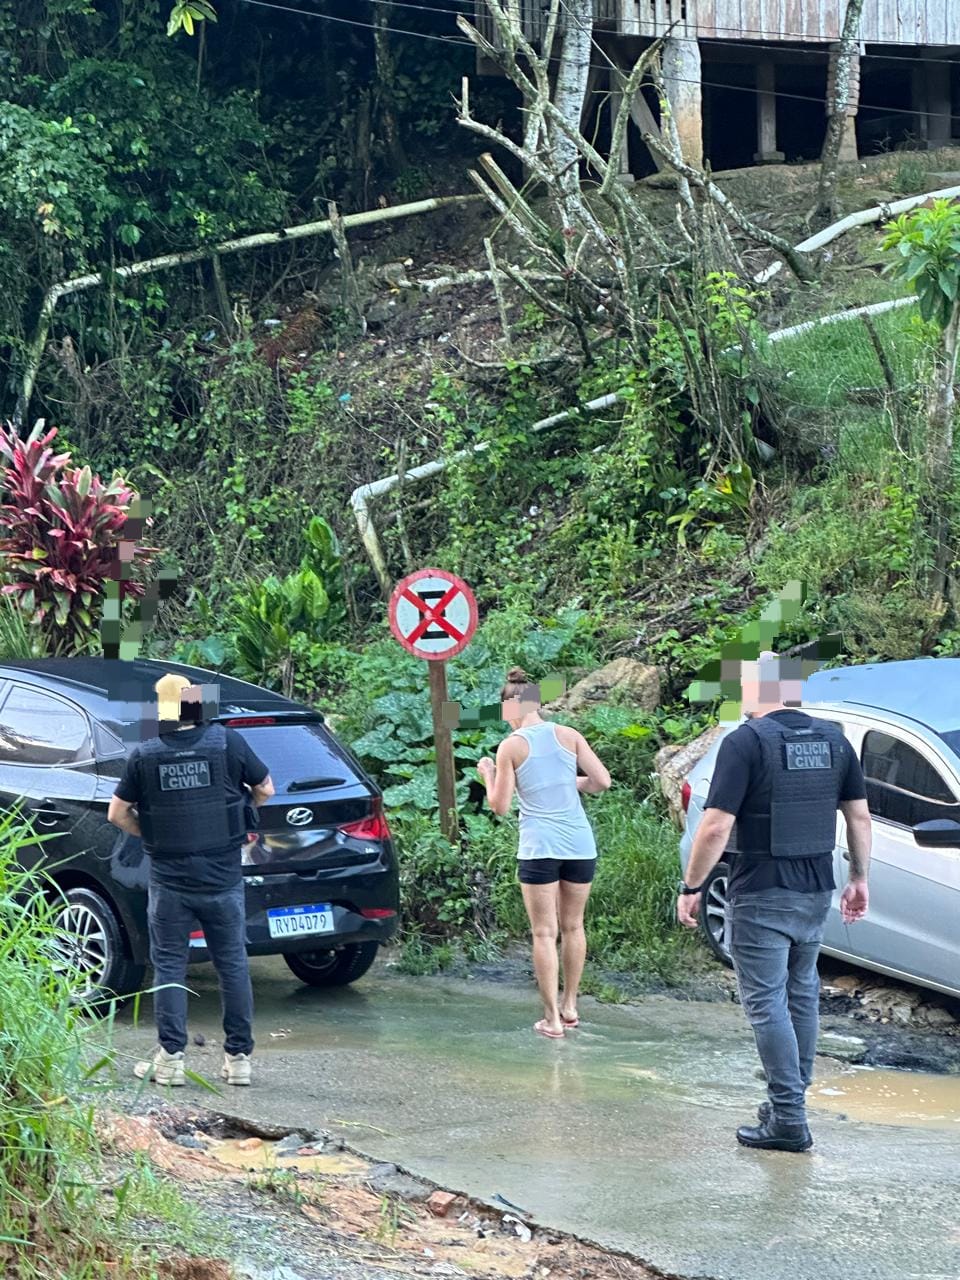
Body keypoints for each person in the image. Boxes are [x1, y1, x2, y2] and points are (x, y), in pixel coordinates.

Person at [677, 652, 872, 1152]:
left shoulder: (745, 742)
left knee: (767, 1004)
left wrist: (692, 886)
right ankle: (790, 1105)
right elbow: (859, 817)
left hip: (761, 890)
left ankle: (788, 1117)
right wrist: (858, 879)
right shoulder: (834, 740)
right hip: (815, 889)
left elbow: (715, 827)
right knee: (801, 995)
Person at [108, 673, 275, 1087]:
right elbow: (266, 789)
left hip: (170, 881)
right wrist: (240, 816)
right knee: (232, 963)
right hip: (222, 876)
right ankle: (239, 1060)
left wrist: (152, 834)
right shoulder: (227, 742)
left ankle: (170, 1060)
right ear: (196, 703)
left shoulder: (145, 754)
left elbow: (117, 813)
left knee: (169, 965)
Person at [477, 668, 611, 1039]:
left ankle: (551, 1019)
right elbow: (602, 781)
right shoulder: (569, 735)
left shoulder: (511, 746)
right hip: (579, 844)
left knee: (544, 932)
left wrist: (488, 773)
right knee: (574, 926)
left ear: (510, 707)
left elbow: (500, 805)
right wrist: (568, 781)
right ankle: (570, 1006)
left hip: (540, 847)